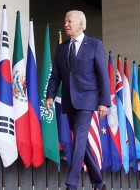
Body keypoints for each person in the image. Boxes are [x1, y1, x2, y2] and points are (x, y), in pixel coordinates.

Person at [45, 10, 110, 190]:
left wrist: (104, 102)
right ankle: (98, 182)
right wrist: (50, 95)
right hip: (69, 101)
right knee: (83, 143)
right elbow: (55, 76)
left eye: (69, 21)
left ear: (81, 24)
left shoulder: (95, 45)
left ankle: (72, 183)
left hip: (88, 100)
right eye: (65, 21)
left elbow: (103, 75)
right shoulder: (61, 48)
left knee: (80, 138)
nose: (65, 24)